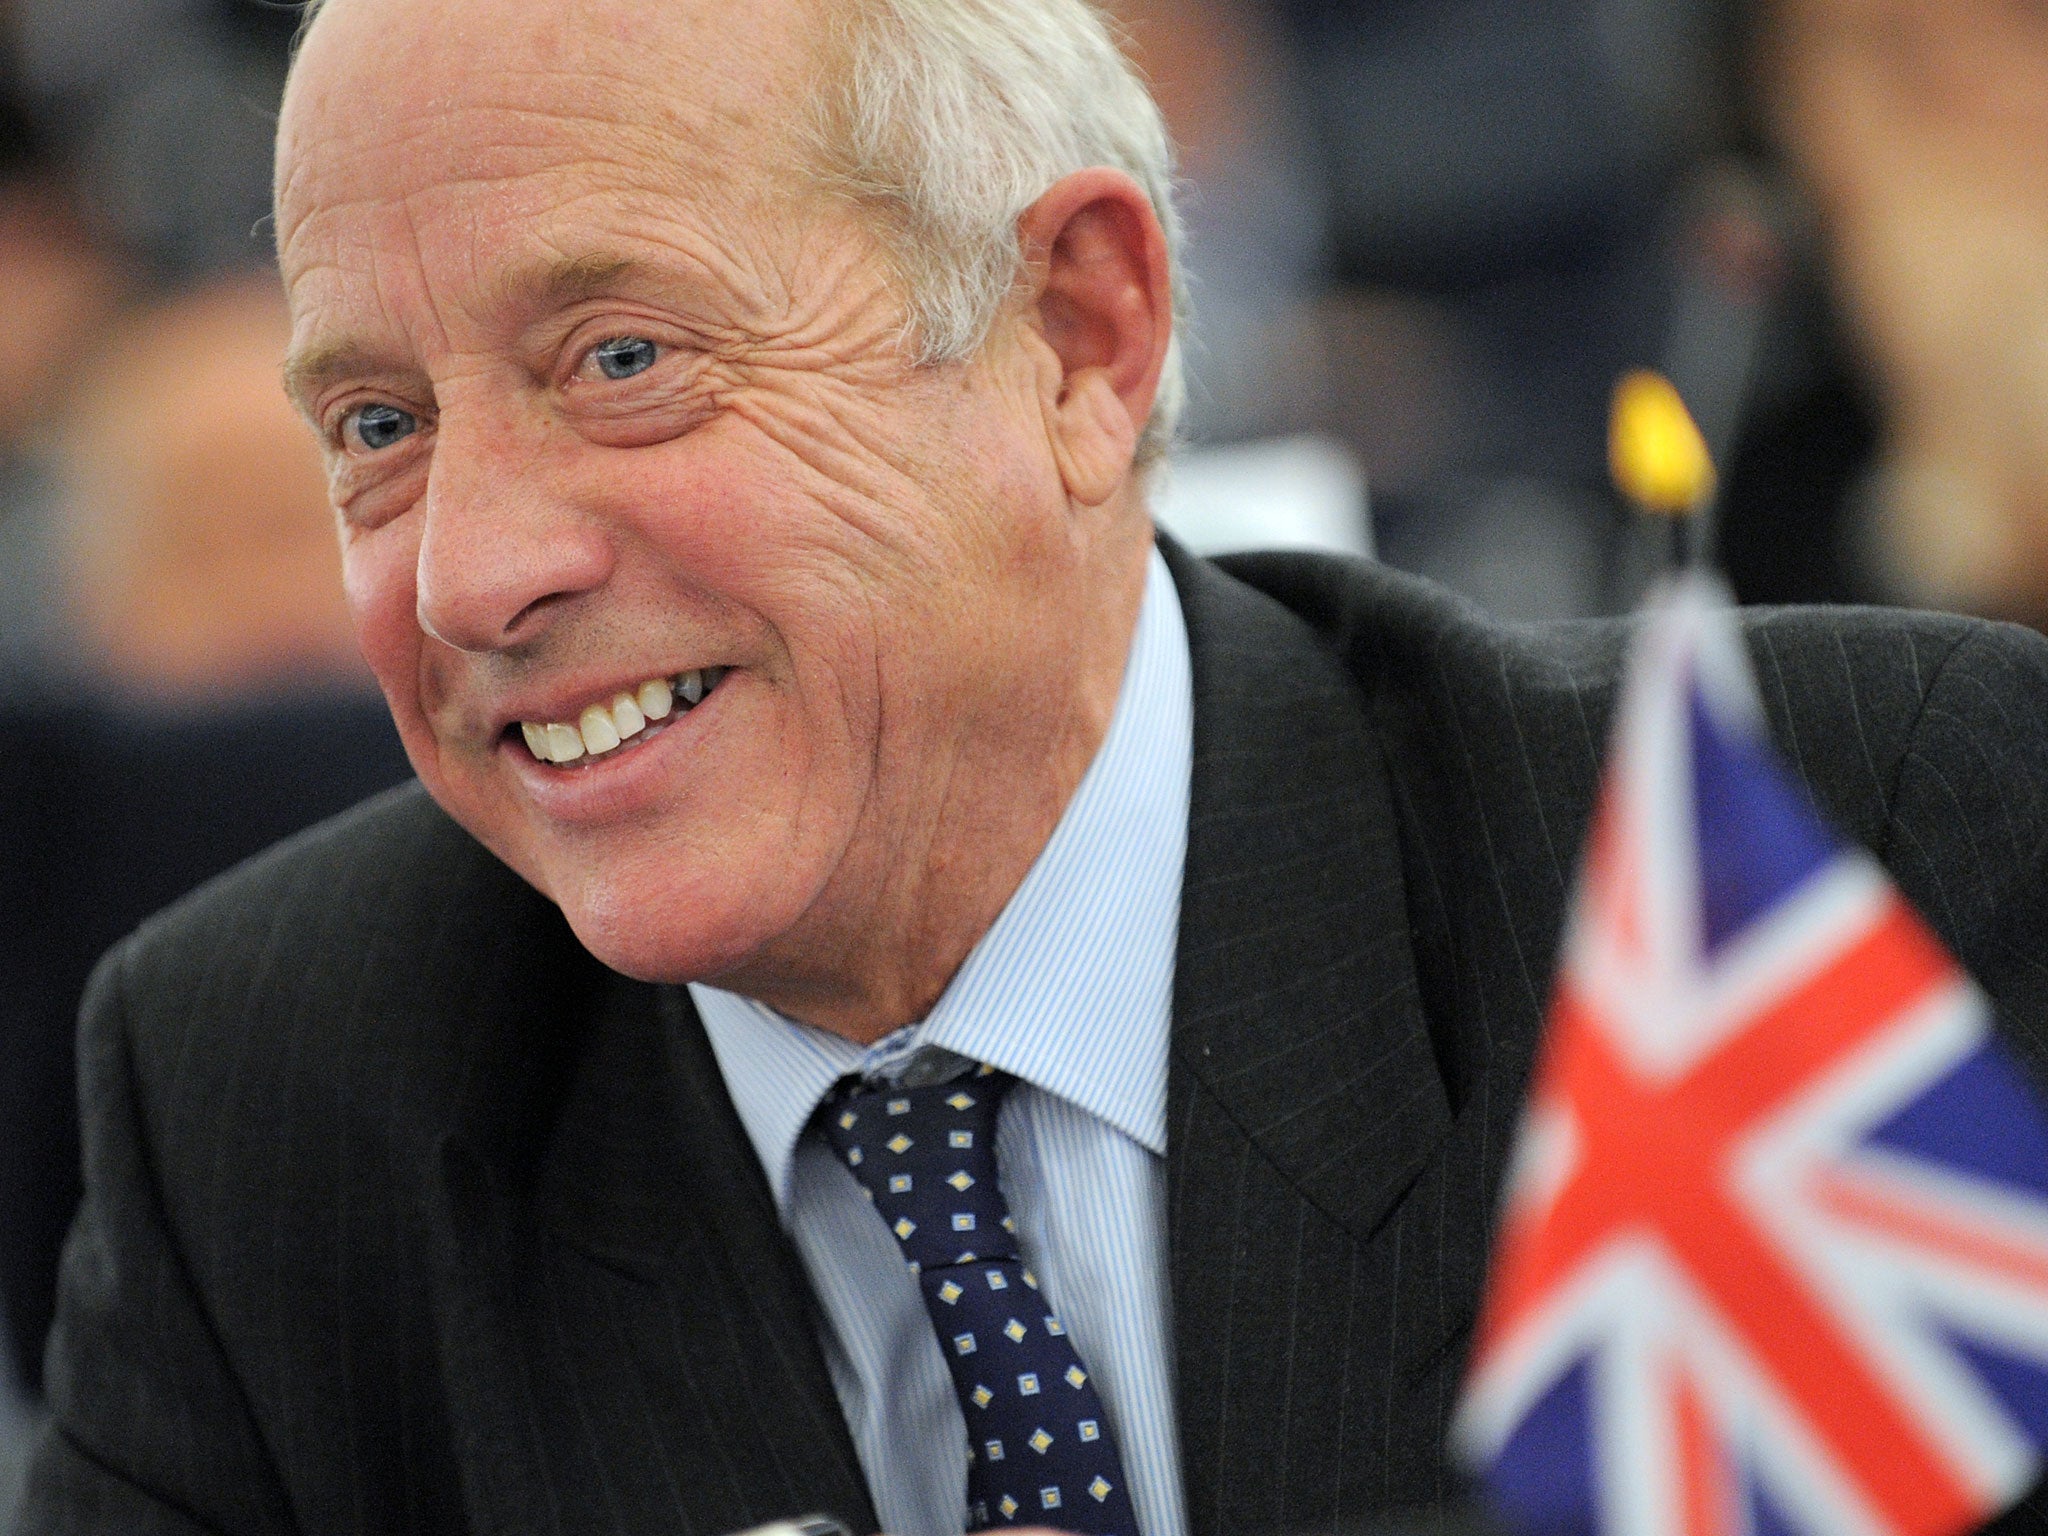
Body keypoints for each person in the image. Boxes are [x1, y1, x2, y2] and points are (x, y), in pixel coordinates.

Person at [16, 1, 2048, 1534]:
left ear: (1078, 334)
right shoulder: (261, 1096)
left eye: (622, 361)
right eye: (378, 428)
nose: (471, 576)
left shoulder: (1829, 845)